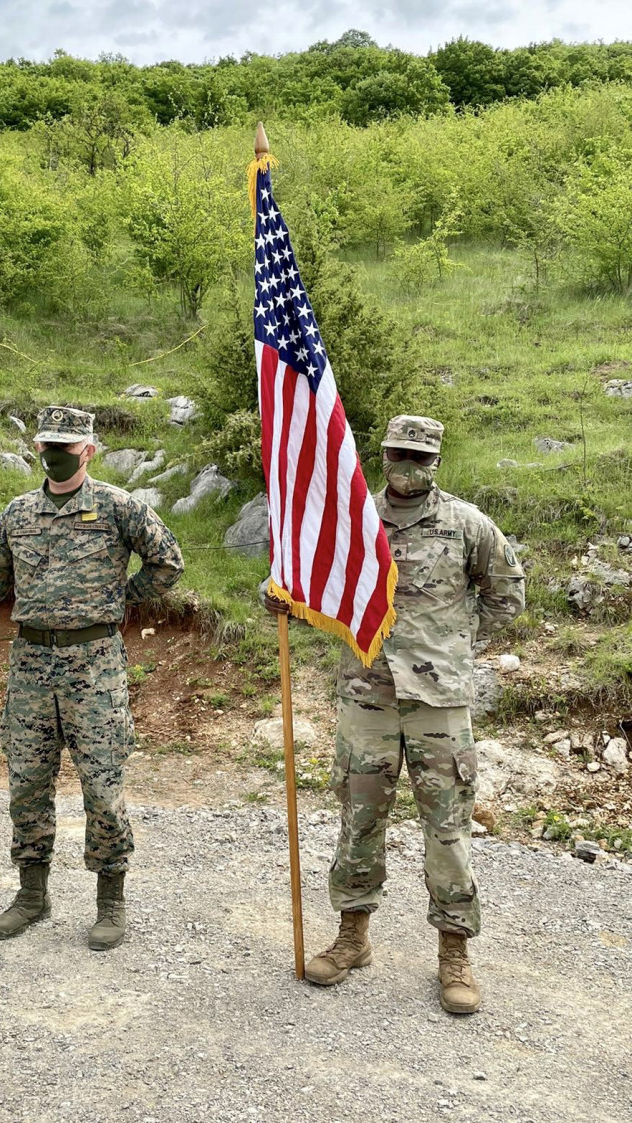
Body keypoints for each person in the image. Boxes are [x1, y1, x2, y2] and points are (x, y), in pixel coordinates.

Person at [265, 415, 525, 1013]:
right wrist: (279, 595)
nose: (408, 465)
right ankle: (353, 937)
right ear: (382, 455)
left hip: (439, 705)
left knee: (448, 831)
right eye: (398, 453)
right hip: (368, 698)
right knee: (359, 820)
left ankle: (453, 955)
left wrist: (453, 644)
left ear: (436, 461)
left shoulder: (467, 524)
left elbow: (507, 596)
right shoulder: (353, 522)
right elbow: (313, 588)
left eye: (420, 456)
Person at [0, 406, 184, 950]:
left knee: (101, 785)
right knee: (26, 783)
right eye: (46, 444)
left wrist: (119, 601)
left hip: (94, 665)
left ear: (87, 451)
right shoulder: (18, 513)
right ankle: (32, 895)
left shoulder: (119, 507)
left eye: (64, 447)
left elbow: (168, 564)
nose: (53, 454)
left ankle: (110, 901)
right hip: (30, 665)